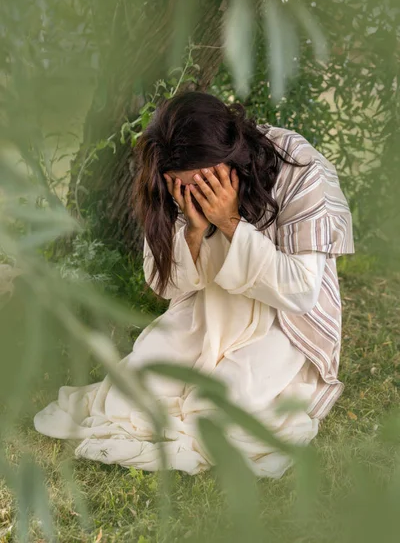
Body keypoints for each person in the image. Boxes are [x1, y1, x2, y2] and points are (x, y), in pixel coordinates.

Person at [34, 91, 355, 478]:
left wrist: (231, 221)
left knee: (222, 411)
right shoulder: (170, 178)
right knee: (131, 394)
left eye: (204, 184)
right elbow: (164, 284)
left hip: (280, 322)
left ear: (231, 157)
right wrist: (194, 232)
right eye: (184, 187)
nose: (194, 194)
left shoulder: (298, 168)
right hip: (207, 309)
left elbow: (302, 292)